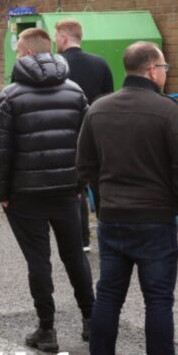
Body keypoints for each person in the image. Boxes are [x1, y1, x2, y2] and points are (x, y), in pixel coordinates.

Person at [77, 41, 178, 355]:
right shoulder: (166, 110)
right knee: (158, 302)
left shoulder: (98, 109)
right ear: (151, 70)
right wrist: (173, 202)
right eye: (164, 67)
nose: (165, 73)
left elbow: (85, 167)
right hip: (156, 220)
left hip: (113, 220)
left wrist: (105, 200)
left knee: (108, 299)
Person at [0, 28, 94, 353]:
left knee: (39, 261)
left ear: (26, 54)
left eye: (19, 51)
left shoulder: (11, 95)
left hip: (25, 194)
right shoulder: (75, 91)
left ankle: (47, 330)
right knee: (74, 255)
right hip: (66, 192)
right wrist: (79, 185)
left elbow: (2, 151)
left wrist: (2, 193)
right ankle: (92, 321)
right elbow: (87, 144)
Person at [55, 18, 114, 252]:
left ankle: (81, 240)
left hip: (68, 134)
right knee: (101, 186)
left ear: (64, 37)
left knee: (74, 189)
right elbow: (108, 99)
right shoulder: (101, 64)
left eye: (56, 36)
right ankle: (107, 235)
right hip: (98, 133)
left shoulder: (58, 65)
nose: (54, 41)